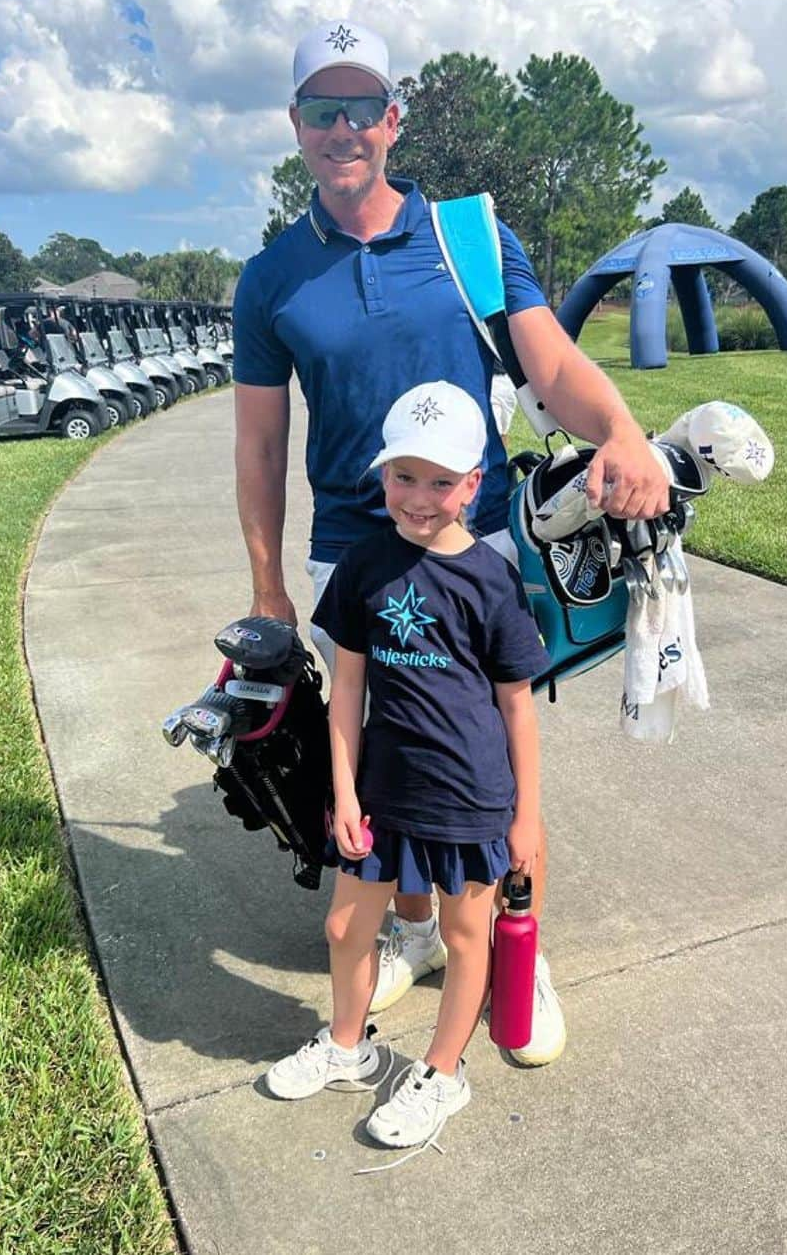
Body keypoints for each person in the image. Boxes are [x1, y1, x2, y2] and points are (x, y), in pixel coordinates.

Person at [234, 20, 668, 1065]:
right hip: (351, 551)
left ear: (395, 119)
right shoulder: (271, 277)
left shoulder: (469, 236)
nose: (344, 129)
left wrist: (621, 429)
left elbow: (550, 365)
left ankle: (518, 943)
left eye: (362, 107)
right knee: (386, 766)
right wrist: (267, 586)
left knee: (485, 758)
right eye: (322, 109)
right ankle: (421, 933)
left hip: (471, 548)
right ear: (297, 124)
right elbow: (258, 444)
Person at [266, 382, 548, 1147]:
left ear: (474, 485)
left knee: (465, 938)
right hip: (384, 793)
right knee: (344, 927)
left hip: (469, 797)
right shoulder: (365, 564)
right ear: (382, 474)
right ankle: (347, 1046)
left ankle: (442, 1073)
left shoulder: (491, 579)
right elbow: (347, 687)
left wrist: (525, 815)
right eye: (404, 476)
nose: (420, 498)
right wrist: (345, 793)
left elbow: (517, 705)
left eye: (442, 480)